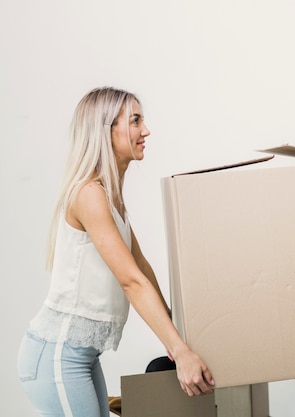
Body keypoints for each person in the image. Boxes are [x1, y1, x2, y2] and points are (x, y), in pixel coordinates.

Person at [17, 87, 214, 417]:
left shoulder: (111, 198)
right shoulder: (89, 194)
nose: (146, 131)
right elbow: (131, 282)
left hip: (81, 357)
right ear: (105, 130)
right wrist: (180, 352)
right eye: (135, 121)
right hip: (56, 357)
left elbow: (141, 267)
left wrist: (177, 337)